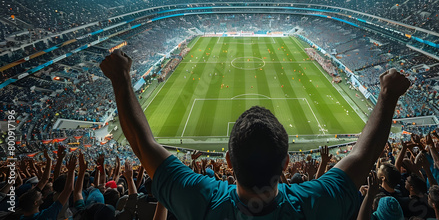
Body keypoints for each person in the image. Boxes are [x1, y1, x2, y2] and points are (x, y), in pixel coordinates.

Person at [100, 49, 411, 219]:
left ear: (228, 162)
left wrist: (120, 78)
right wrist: (388, 95)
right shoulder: (314, 203)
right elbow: (363, 156)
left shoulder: (201, 200)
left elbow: (143, 145)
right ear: (287, 163)